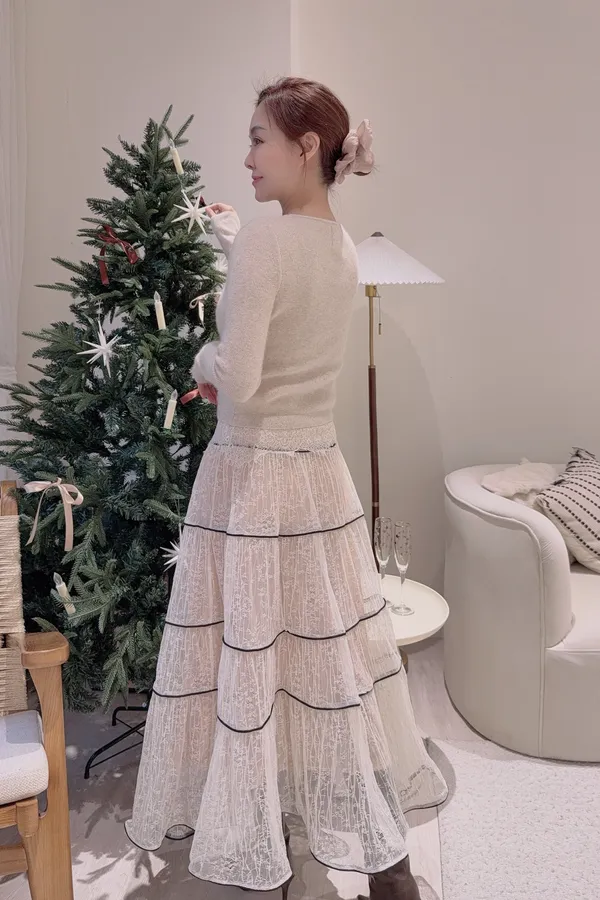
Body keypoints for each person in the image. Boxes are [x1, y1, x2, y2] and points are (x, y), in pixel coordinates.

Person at [126, 77, 447, 899]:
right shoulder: (339, 244)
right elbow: (285, 319)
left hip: (252, 479)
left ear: (306, 147)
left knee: (255, 663)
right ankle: (388, 866)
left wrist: (200, 359)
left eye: (258, 138)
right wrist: (235, 244)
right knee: (329, 663)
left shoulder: (268, 245)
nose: (246, 156)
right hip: (318, 479)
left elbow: (238, 371)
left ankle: (266, 841)